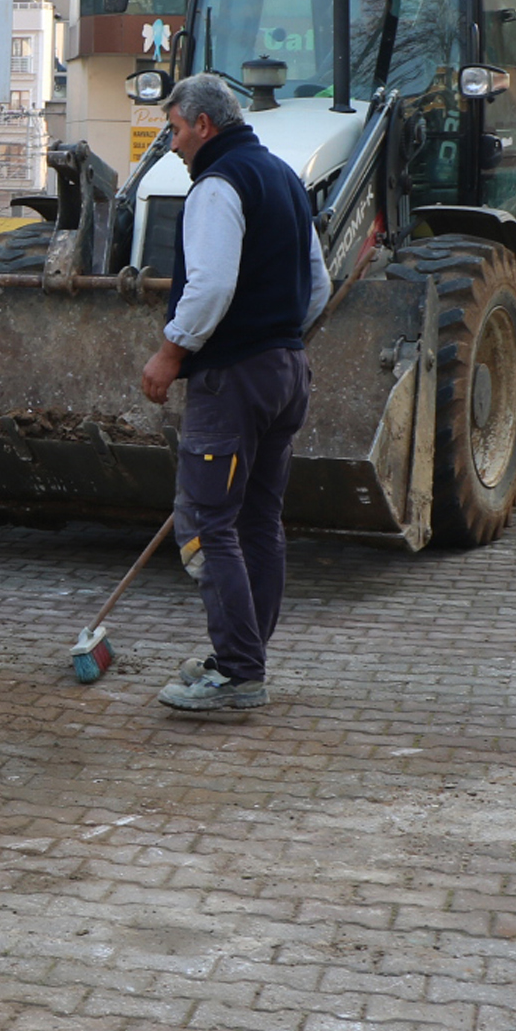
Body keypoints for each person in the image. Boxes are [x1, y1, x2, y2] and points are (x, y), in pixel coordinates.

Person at [141, 74, 331, 712]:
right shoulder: (282, 178)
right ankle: (243, 653)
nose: (171, 145)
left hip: (232, 382)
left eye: (174, 129)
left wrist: (171, 352)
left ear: (203, 125)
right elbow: (319, 284)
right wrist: (280, 337)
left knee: (205, 525)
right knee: (258, 522)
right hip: (287, 373)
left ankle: (240, 672)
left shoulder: (217, 186)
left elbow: (212, 285)